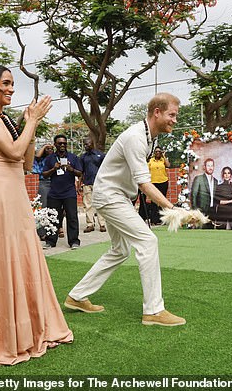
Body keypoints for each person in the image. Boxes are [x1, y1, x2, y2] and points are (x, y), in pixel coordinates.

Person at [0, 63, 72, 366]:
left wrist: (30, 125)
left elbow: (26, 162)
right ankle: (4, 337)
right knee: (2, 258)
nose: (11, 89)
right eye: (6, 83)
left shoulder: (3, 118)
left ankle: (31, 327)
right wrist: (32, 121)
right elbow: (12, 152)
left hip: (15, 189)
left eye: (12, 84)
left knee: (23, 255)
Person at [65, 92, 187, 327]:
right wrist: (172, 207)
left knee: (120, 250)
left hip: (116, 196)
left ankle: (77, 296)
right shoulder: (135, 137)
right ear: (157, 112)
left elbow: (137, 181)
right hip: (111, 197)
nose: (175, 119)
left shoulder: (150, 138)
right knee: (147, 241)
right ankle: (153, 311)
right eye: (172, 115)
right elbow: (143, 182)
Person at [43, 134, 83, 248]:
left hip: (69, 192)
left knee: (72, 217)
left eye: (64, 143)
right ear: (55, 144)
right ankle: (50, 241)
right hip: (54, 193)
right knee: (53, 218)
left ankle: (74, 241)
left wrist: (72, 169)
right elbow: (44, 175)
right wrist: (53, 169)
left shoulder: (73, 157)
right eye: (60, 143)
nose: (62, 145)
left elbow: (80, 173)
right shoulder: (50, 158)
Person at [79, 137, 106, 233]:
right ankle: (90, 224)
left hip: (99, 183)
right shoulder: (83, 157)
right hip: (87, 183)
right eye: (84, 144)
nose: (86, 146)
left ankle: (102, 224)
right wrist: (79, 185)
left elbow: (106, 169)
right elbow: (81, 172)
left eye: (87, 144)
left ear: (92, 144)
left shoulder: (101, 155)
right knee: (88, 204)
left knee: (100, 203)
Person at [145, 146, 170, 225]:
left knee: (162, 201)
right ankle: (154, 220)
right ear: (154, 153)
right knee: (154, 202)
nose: (158, 153)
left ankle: (162, 219)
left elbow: (168, 165)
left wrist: (164, 156)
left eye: (159, 151)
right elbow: (146, 169)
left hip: (163, 182)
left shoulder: (163, 160)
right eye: (156, 151)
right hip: (153, 183)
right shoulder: (151, 161)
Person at [191, 158, 218, 228]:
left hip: (212, 211)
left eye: (212, 166)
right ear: (204, 167)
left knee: (211, 232)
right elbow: (193, 195)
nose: (210, 168)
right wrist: (195, 211)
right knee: (201, 232)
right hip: (201, 211)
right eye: (208, 166)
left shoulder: (216, 181)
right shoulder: (198, 179)